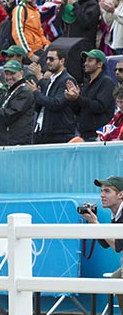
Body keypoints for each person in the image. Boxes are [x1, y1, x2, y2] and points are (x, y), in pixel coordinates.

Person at [80, 176, 123, 311]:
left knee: (118, 281)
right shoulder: (116, 213)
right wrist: (94, 223)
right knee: (116, 280)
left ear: (121, 194)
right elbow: (106, 244)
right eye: (101, 191)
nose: (102, 195)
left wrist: (96, 223)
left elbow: (118, 245)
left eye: (107, 191)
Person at [26, 47, 77, 144]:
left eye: (52, 59)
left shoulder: (67, 80)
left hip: (59, 134)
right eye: (47, 59)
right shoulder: (51, 80)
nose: (48, 62)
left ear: (62, 61)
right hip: (43, 131)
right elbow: (42, 105)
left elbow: (56, 104)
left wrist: (36, 92)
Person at [65, 49, 116, 141]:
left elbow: (99, 106)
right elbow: (78, 110)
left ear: (100, 64)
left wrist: (78, 98)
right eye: (86, 60)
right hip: (85, 135)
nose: (85, 63)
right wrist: (73, 98)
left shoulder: (106, 82)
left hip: (99, 136)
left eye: (90, 60)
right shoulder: (87, 84)